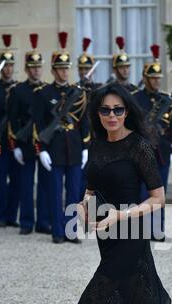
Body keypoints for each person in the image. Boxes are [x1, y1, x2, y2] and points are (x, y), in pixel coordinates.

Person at [54, 83, 172, 304]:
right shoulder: (96, 145)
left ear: (127, 111)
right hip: (106, 238)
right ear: (97, 114)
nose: (112, 116)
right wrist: (84, 205)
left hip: (131, 234)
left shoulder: (140, 146)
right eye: (105, 110)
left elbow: (158, 198)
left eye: (118, 109)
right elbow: (92, 187)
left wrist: (121, 214)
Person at [33, 32, 90, 244]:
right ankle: (57, 232)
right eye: (61, 69)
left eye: (67, 69)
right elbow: (37, 125)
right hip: (54, 148)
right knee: (55, 193)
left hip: (74, 148)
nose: (65, 72)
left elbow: (84, 121)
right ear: (53, 70)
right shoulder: (44, 93)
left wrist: (85, 146)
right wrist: (42, 150)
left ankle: (71, 230)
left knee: (74, 193)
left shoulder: (78, 93)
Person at [8, 33, 51, 235]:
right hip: (25, 143)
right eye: (32, 67)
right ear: (26, 69)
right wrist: (15, 145)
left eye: (38, 67)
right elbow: (12, 119)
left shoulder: (48, 90)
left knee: (44, 184)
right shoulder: (18, 91)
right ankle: (26, 222)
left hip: (44, 142)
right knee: (26, 184)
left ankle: (43, 222)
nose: (36, 70)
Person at [134, 44, 172, 241]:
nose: (156, 82)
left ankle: (158, 230)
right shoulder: (135, 99)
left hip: (162, 152)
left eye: (159, 78)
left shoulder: (166, 100)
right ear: (145, 78)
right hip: (143, 153)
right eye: (153, 78)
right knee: (144, 193)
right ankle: (143, 230)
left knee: (161, 193)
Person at [0, 34, 20, 228]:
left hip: (16, 140)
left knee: (17, 180)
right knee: (0, 180)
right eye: (5, 65)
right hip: (0, 140)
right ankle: (0, 216)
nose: (8, 69)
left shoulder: (18, 88)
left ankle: (12, 216)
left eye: (11, 65)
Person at [76, 37, 100, 201]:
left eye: (88, 69)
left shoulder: (100, 90)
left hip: (99, 141)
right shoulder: (74, 91)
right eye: (82, 69)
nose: (85, 72)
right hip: (80, 142)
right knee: (79, 182)